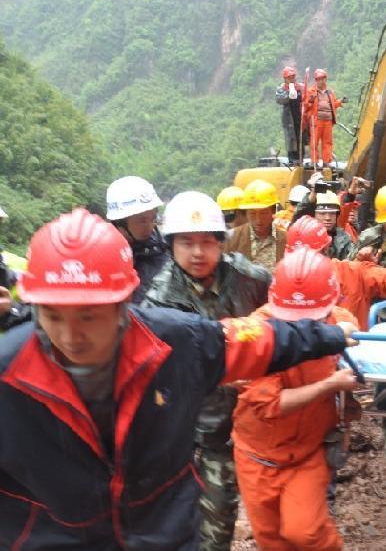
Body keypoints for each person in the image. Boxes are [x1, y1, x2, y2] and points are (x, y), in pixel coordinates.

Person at [0, 208, 354, 548]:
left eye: (89, 317)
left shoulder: (172, 342)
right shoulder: (8, 373)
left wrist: (332, 336)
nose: (70, 336)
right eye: (52, 316)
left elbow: (258, 339)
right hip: (56, 538)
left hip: (160, 531)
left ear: (123, 303)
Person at [142, 191, 271, 551]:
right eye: (187, 243)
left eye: (206, 242)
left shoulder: (250, 279)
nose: (197, 252)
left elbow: (282, 319)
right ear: (171, 245)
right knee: (211, 527)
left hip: (260, 416)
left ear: (220, 243)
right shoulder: (159, 299)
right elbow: (159, 372)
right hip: (201, 430)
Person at [232, 247, 359, 551]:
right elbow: (270, 404)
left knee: (307, 533)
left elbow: (350, 329)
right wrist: (330, 386)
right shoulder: (254, 335)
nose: (304, 328)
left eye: (313, 320)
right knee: (271, 540)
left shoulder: (335, 320)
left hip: (307, 453)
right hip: (257, 455)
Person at [286, 215, 386, 332]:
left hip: (355, 349)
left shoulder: (352, 272)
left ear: (326, 251)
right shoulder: (284, 286)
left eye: (309, 259)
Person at [104, 176, 168, 304]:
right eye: (142, 220)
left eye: (152, 218)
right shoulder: (102, 257)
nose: (150, 227)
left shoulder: (161, 250)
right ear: (119, 222)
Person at [224, 178, 286, 272]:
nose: (258, 220)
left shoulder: (285, 240)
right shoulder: (232, 239)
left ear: (273, 211)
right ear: (246, 213)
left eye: (264, 213)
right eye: (252, 213)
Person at [306, 69, 346, 168]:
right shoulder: (311, 91)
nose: (321, 81)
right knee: (314, 142)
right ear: (316, 80)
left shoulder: (330, 92)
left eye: (323, 78)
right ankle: (314, 161)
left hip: (328, 121)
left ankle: (326, 161)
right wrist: (310, 100)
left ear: (325, 79)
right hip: (316, 120)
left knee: (327, 142)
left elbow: (333, 105)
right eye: (319, 79)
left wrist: (340, 102)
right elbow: (306, 105)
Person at [276, 66, 308, 164]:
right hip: (289, 118)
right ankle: (292, 160)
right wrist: (289, 93)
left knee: (301, 137)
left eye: (292, 76)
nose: (291, 79)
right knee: (290, 139)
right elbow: (279, 100)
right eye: (289, 77)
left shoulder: (300, 87)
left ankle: (301, 158)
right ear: (285, 78)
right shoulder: (281, 88)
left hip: (300, 116)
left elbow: (308, 96)